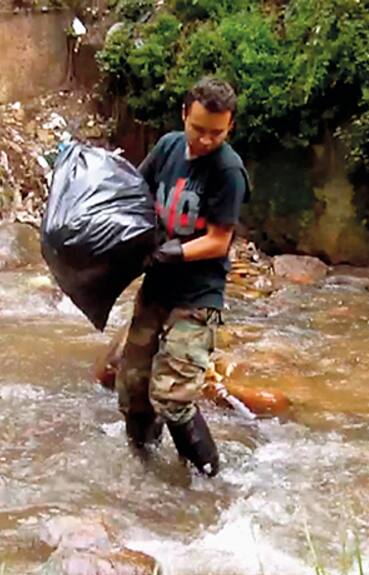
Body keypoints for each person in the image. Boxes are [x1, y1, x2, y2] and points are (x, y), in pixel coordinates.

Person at [115, 77, 249, 478]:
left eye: (216, 133)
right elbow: (135, 191)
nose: (206, 140)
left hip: (197, 296)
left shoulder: (229, 171)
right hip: (156, 287)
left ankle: (210, 479)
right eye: (199, 128)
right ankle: (146, 472)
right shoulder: (169, 146)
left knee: (172, 397)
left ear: (230, 128)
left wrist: (174, 252)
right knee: (133, 388)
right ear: (184, 115)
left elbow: (219, 241)